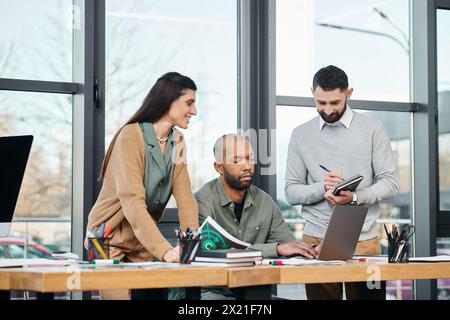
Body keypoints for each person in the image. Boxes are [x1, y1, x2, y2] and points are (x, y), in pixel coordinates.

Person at [285, 65, 399, 300]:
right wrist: (322, 187)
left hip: (364, 239)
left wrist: (355, 197)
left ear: (349, 93)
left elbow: (391, 182)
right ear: (312, 93)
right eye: (321, 103)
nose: (327, 110)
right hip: (315, 242)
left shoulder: (373, 129)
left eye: (334, 103)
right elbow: (291, 192)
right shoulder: (300, 134)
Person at [86, 72, 199, 300]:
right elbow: (133, 203)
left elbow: (186, 198)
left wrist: (190, 248)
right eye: (189, 103)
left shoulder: (177, 141)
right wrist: (166, 251)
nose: (194, 111)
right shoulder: (131, 136)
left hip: (142, 241)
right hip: (106, 239)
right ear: (169, 100)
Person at [196, 134, 317, 300]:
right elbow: (209, 254)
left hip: (255, 289)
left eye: (250, 158)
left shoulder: (264, 201)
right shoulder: (202, 201)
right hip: (212, 290)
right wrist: (275, 249)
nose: (247, 166)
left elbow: (288, 246)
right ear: (219, 168)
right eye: (237, 160)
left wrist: (310, 250)